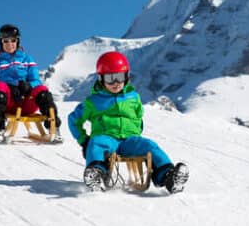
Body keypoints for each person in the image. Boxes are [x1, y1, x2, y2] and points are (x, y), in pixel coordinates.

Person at [68, 51, 189, 193]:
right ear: (101, 79)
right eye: (109, 78)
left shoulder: (133, 98)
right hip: (107, 138)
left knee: (149, 145)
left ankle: (168, 176)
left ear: (126, 77)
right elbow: (73, 120)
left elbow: (138, 117)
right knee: (96, 143)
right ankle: (97, 174)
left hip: (129, 140)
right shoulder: (93, 102)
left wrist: (135, 131)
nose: (115, 83)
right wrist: (84, 140)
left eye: (119, 77)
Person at [0, 24, 61, 143]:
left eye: (13, 40)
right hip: (7, 103)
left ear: (18, 41)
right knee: (0, 86)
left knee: (41, 89)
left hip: (26, 103)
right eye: (6, 41)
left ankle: (54, 127)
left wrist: (29, 86)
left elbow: (36, 80)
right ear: (1, 42)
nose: (10, 44)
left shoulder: (27, 59)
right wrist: (9, 87)